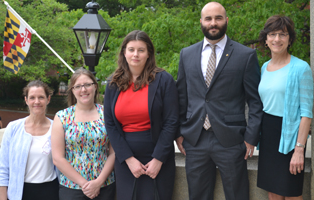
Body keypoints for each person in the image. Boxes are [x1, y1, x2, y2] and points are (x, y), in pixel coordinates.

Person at [175, 2, 263, 200]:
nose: (213, 23)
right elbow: (181, 96)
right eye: (208, 18)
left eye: (218, 18)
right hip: (195, 140)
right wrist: (179, 133)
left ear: (226, 20)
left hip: (231, 140)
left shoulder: (246, 55)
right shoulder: (186, 54)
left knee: (237, 195)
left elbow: (255, 101)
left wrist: (251, 136)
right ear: (201, 21)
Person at [104, 30, 178, 200]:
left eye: (141, 50)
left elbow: (171, 121)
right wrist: (128, 159)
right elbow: (110, 123)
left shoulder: (164, 80)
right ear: (124, 52)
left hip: (159, 157)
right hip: (126, 159)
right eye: (131, 49)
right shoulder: (112, 83)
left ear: (148, 53)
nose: (135, 54)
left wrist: (158, 159)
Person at [257, 15, 313, 200]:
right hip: (268, 135)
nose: (277, 39)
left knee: (291, 194)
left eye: (282, 34)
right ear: (266, 39)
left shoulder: (301, 68)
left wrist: (299, 149)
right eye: (272, 34)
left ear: (290, 39)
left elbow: (306, 113)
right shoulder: (264, 67)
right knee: (272, 192)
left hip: (289, 138)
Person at [51, 68, 115, 200]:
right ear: (72, 90)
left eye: (87, 85)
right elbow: (58, 158)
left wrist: (98, 183)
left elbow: (114, 152)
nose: (83, 90)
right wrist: (85, 184)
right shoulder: (62, 117)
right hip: (72, 188)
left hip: (105, 186)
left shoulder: (108, 114)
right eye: (78, 86)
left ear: (95, 87)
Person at [0, 80, 59, 200]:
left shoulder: (56, 128)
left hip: (50, 191)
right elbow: (3, 168)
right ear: (26, 100)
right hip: (20, 193)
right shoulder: (13, 128)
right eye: (32, 97)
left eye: (41, 97)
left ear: (48, 99)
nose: (37, 101)